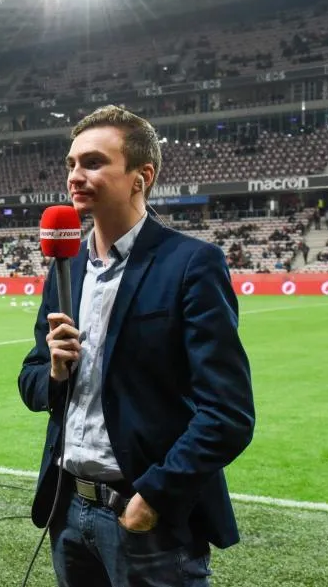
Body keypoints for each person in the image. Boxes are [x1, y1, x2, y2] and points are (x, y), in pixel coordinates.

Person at [18, 106, 255, 587]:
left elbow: (228, 413)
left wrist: (154, 498)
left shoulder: (191, 264)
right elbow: (31, 380)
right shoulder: (66, 269)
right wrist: (56, 374)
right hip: (69, 511)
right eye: (70, 164)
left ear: (140, 177)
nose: (75, 176)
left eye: (93, 163)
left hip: (145, 521)